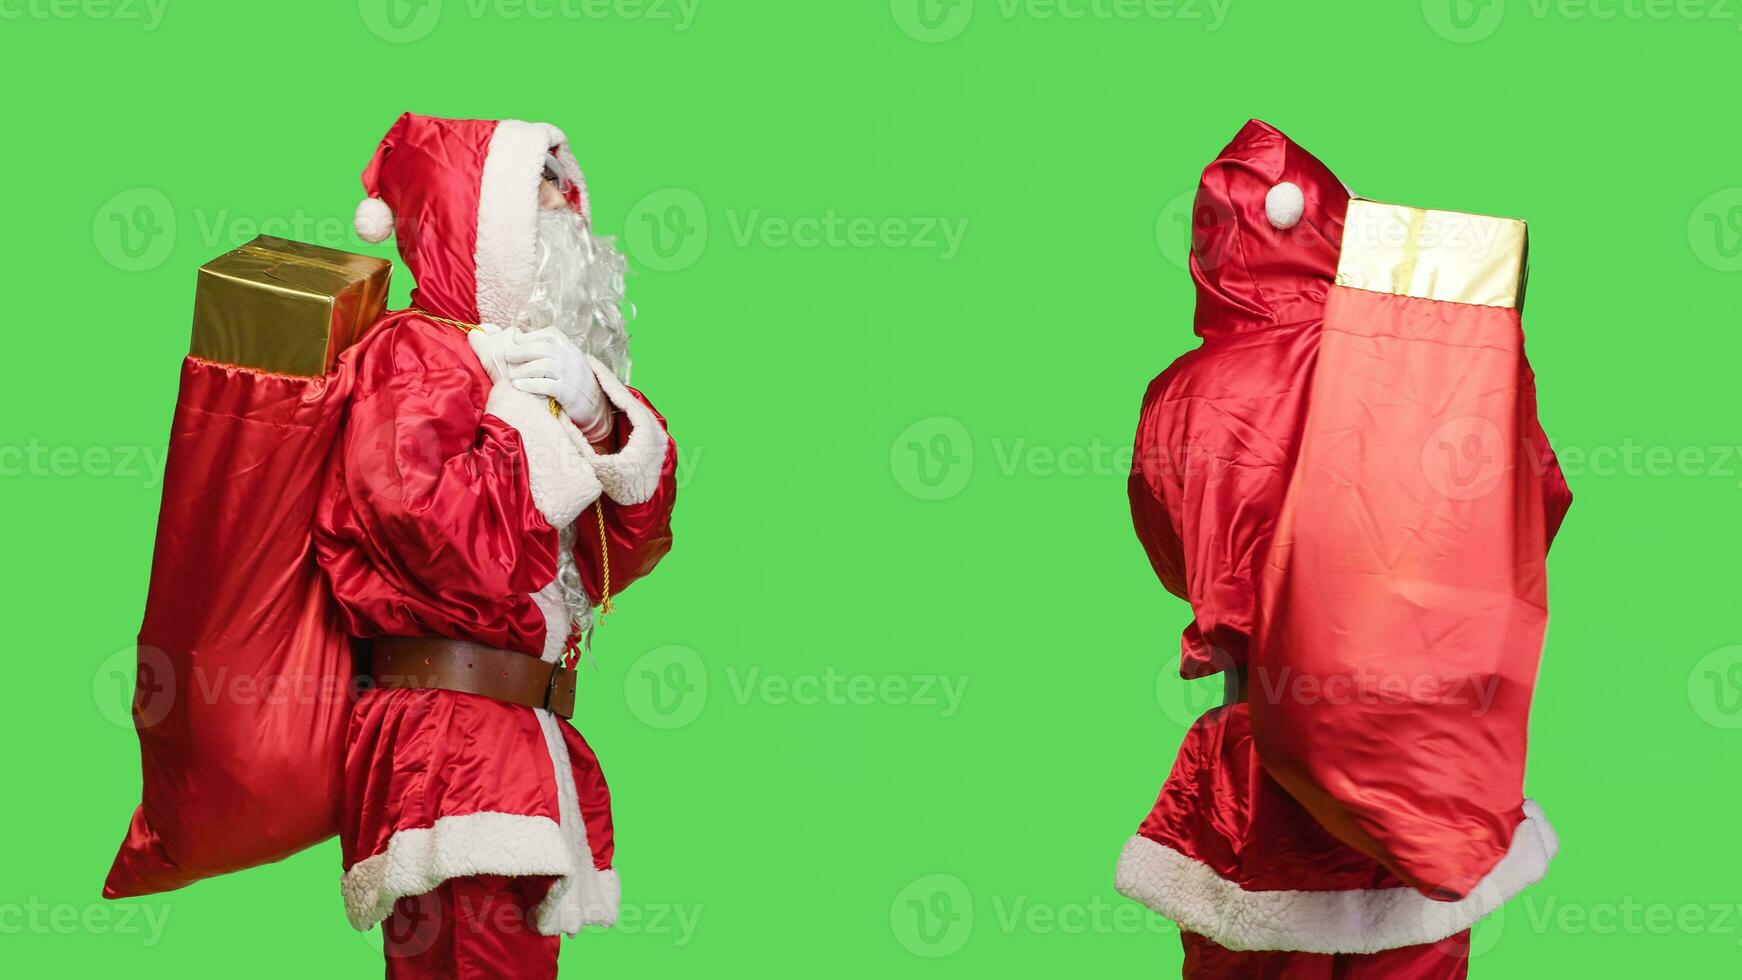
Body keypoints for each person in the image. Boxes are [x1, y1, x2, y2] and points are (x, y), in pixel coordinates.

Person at [315, 112, 678, 979]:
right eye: (541, 192)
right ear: (478, 223)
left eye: (568, 187)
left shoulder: (528, 372)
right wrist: (533, 429)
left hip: (509, 736)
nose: (571, 209)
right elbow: (441, 538)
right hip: (450, 741)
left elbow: (616, 560)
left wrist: (598, 418)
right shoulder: (414, 355)